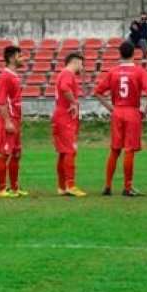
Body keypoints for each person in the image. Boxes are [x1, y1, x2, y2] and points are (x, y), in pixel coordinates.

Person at [94, 41, 147, 197]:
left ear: (119, 53)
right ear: (133, 54)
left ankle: (107, 186)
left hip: (117, 112)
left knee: (115, 149)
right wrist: (145, 111)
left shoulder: (113, 71)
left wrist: (111, 109)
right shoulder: (139, 71)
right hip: (132, 111)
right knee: (129, 150)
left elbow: (98, 92)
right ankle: (127, 187)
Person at [0, 46, 28, 199]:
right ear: (12, 58)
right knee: (3, 154)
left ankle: (14, 187)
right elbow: (1, 101)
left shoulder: (14, 76)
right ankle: (2, 189)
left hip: (16, 119)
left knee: (16, 153)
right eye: (20, 56)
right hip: (7, 120)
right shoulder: (5, 76)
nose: (23, 59)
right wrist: (7, 121)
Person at [52, 53, 87, 197]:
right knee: (70, 151)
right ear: (76, 62)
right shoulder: (68, 74)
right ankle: (70, 185)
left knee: (63, 152)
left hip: (60, 116)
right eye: (82, 64)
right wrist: (73, 103)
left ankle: (62, 186)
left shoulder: (63, 74)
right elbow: (65, 88)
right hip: (65, 117)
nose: (82, 68)